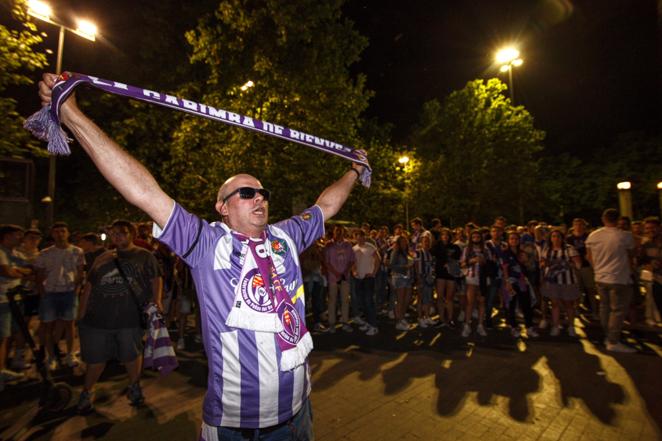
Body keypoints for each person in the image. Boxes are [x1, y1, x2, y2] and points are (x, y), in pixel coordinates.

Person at [39, 72, 364, 438]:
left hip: (298, 413)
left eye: (262, 192)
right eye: (246, 193)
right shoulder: (206, 243)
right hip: (238, 427)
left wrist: (354, 169)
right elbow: (143, 191)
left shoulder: (287, 235)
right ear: (222, 207)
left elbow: (326, 204)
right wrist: (72, 116)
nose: (259, 197)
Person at [76, 220, 163, 413]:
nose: (117, 236)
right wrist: (81, 314)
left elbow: (156, 278)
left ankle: (134, 386)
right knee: (96, 360)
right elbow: (89, 286)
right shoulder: (101, 257)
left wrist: (157, 301)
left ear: (132, 234)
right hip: (97, 318)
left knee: (131, 354)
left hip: (129, 317)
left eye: (122, 232)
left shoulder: (144, 256)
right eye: (113, 233)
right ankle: (87, 392)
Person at [34, 222, 85, 369]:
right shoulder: (45, 253)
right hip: (50, 293)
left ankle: (70, 353)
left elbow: (80, 272)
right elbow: (39, 274)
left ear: (68, 233)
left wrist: (76, 289)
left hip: (69, 292)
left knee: (70, 326)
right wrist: (42, 292)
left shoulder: (77, 251)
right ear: (52, 234)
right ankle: (51, 357)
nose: (60, 234)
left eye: (63, 231)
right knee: (48, 326)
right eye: (56, 232)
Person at [586, 208, 636, 353]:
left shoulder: (593, 236)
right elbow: (631, 254)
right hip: (619, 278)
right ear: (618, 219)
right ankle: (613, 340)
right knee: (618, 310)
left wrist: (598, 269)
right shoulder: (625, 236)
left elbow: (589, 257)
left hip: (600, 277)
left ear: (603, 219)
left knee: (605, 307)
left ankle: (608, 336)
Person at [0, 225, 32, 390]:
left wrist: (18, 270)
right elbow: (6, 272)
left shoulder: (17, 254)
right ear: (6, 236)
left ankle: (10, 364)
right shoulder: (1, 252)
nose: (20, 238)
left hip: (16, 299)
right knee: (2, 338)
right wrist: (19, 271)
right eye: (16, 235)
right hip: (2, 300)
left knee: (15, 332)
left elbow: (30, 269)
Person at [540, 230, 582, 337]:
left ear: (562, 238)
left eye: (558, 236)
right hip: (552, 281)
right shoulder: (547, 249)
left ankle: (571, 326)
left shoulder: (569, 249)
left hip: (567, 281)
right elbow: (542, 263)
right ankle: (555, 326)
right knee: (554, 304)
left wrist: (564, 264)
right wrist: (546, 264)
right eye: (553, 236)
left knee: (569, 304)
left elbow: (578, 264)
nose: (556, 238)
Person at [323, 226, 355, 333]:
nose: (339, 234)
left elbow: (351, 260)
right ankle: (332, 323)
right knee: (332, 300)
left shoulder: (348, 245)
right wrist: (336, 273)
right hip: (333, 277)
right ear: (334, 233)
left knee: (345, 300)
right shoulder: (328, 245)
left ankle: (345, 322)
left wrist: (346, 271)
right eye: (337, 231)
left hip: (345, 277)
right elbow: (326, 262)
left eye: (341, 232)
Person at [351, 230, 380, 335]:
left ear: (364, 237)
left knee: (368, 302)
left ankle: (374, 326)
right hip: (358, 278)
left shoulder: (370, 247)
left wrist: (373, 273)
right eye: (356, 236)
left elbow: (378, 259)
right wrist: (354, 271)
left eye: (360, 236)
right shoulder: (354, 249)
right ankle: (368, 322)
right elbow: (353, 263)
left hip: (368, 278)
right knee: (362, 302)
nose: (359, 238)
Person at [389, 235, 414, 331]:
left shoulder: (406, 252)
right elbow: (392, 266)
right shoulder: (395, 252)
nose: (404, 243)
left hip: (408, 278)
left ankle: (402, 317)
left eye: (405, 242)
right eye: (402, 242)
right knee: (400, 300)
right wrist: (405, 267)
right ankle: (398, 322)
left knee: (407, 299)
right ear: (399, 243)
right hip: (399, 277)